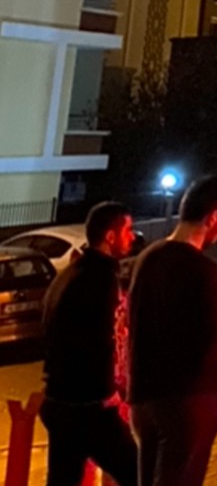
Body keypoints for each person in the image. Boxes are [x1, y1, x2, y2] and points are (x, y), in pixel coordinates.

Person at [128, 177, 217, 486]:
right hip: (187, 397)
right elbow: (213, 337)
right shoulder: (201, 269)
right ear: (214, 216)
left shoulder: (146, 259)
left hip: (143, 397)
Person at [39, 202, 139, 486]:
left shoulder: (71, 274)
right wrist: (108, 392)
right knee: (137, 473)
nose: (132, 237)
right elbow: (99, 340)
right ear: (110, 236)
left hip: (60, 401)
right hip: (88, 407)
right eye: (127, 230)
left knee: (63, 478)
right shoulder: (99, 279)